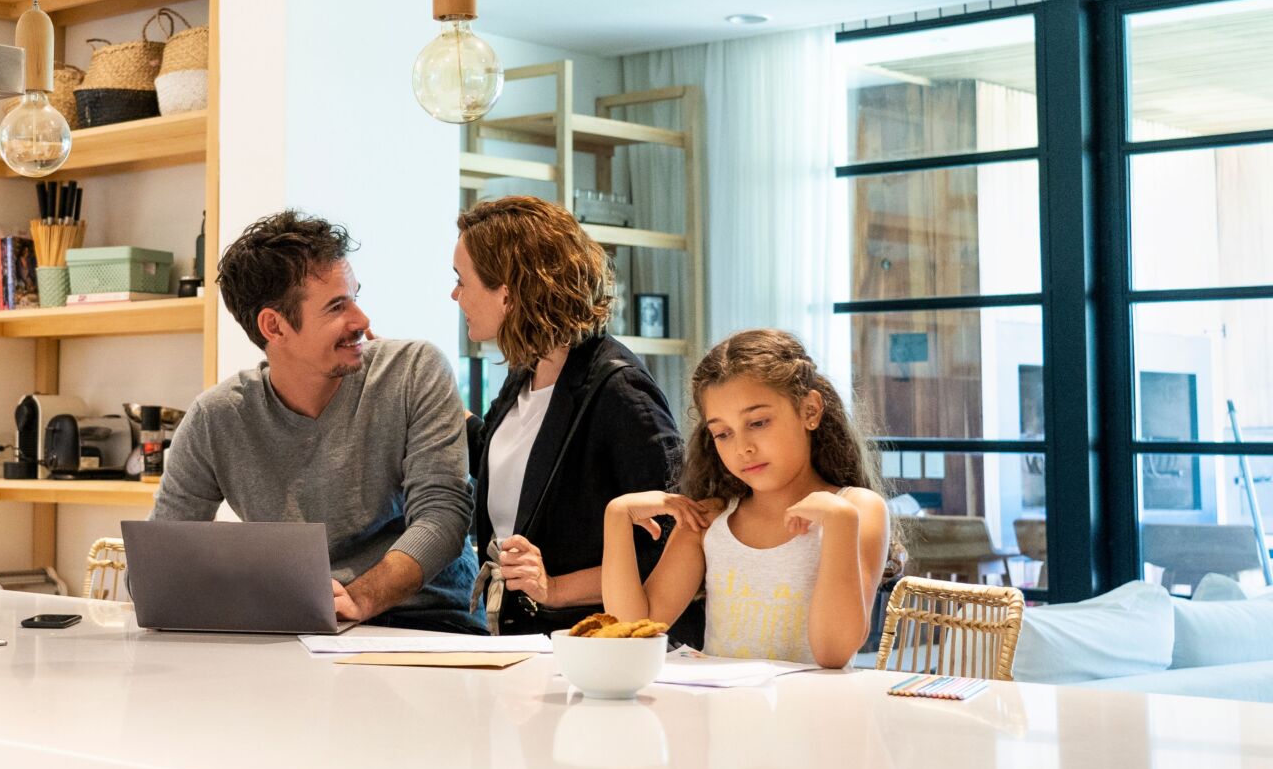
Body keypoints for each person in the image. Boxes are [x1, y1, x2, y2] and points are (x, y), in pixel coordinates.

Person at [150, 210, 481, 633]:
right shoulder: (216, 418)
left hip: (429, 623)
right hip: (299, 629)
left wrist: (360, 598)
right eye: (337, 306)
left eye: (356, 297)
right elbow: (161, 563)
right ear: (274, 326)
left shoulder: (414, 370)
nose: (362, 321)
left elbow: (443, 516)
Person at [454, 195, 686, 637]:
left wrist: (555, 587)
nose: (455, 294)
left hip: (591, 644)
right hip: (523, 637)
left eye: (461, 280)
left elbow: (673, 540)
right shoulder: (527, 371)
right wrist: (420, 390)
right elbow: (512, 469)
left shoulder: (618, 389)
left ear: (507, 291)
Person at [599, 329, 890, 669]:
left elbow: (832, 653)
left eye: (758, 422)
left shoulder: (856, 509)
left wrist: (839, 523)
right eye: (722, 433)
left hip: (812, 718)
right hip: (721, 716)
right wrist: (617, 515)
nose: (743, 448)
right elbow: (632, 634)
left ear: (810, 410)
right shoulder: (709, 521)